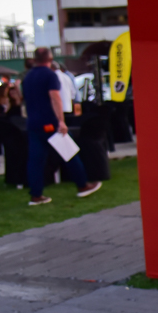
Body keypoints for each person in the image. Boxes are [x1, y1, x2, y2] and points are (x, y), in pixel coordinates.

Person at [21, 47, 101, 205]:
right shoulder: (50, 75)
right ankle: (82, 185)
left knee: (35, 161)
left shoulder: (28, 76)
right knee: (69, 153)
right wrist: (61, 121)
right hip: (50, 122)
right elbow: (55, 98)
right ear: (50, 59)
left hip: (33, 123)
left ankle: (36, 195)